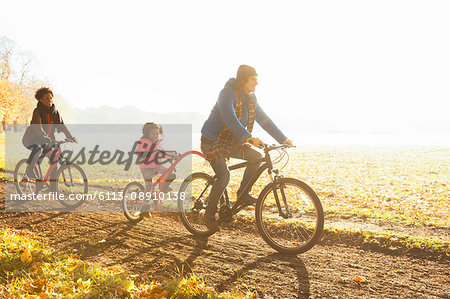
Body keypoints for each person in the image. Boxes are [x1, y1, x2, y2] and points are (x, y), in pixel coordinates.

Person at [200, 65, 293, 232]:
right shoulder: (227, 93)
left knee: (256, 158)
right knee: (224, 176)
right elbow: (230, 118)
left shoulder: (251, 98)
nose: (256, 84)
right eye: (253, 80)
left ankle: (242, 194)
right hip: (213, 142)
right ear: (243, 80)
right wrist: (248, 138)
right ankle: (208, 215)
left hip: (233, 142)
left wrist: (283, 138)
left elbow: (265, 120)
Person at [22, 87, 75, 185]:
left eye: (50, 98)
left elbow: (62, 126)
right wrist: (45, 136)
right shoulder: (37, 111)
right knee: (37, 149)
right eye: (46, 98)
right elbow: (38, 127)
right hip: (32, 139)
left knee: (54, 160)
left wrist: (70, 137)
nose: (49, 100)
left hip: (47, 140)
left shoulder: (55, 112)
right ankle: (29, 171)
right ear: (40, 100)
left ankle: (53, 187)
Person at [135, 122, 176, 216]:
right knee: (149, 187)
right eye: (152, 133)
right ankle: (145, 208)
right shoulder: (144, 141)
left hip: (156, 166)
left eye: (157, 133)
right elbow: (138, 151)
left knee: (169, 173)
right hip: (146, 168)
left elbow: (162, 153)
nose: (155, 135)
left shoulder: (157, 143)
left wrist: (170, 156)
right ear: (147, 133)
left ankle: (164, 187)